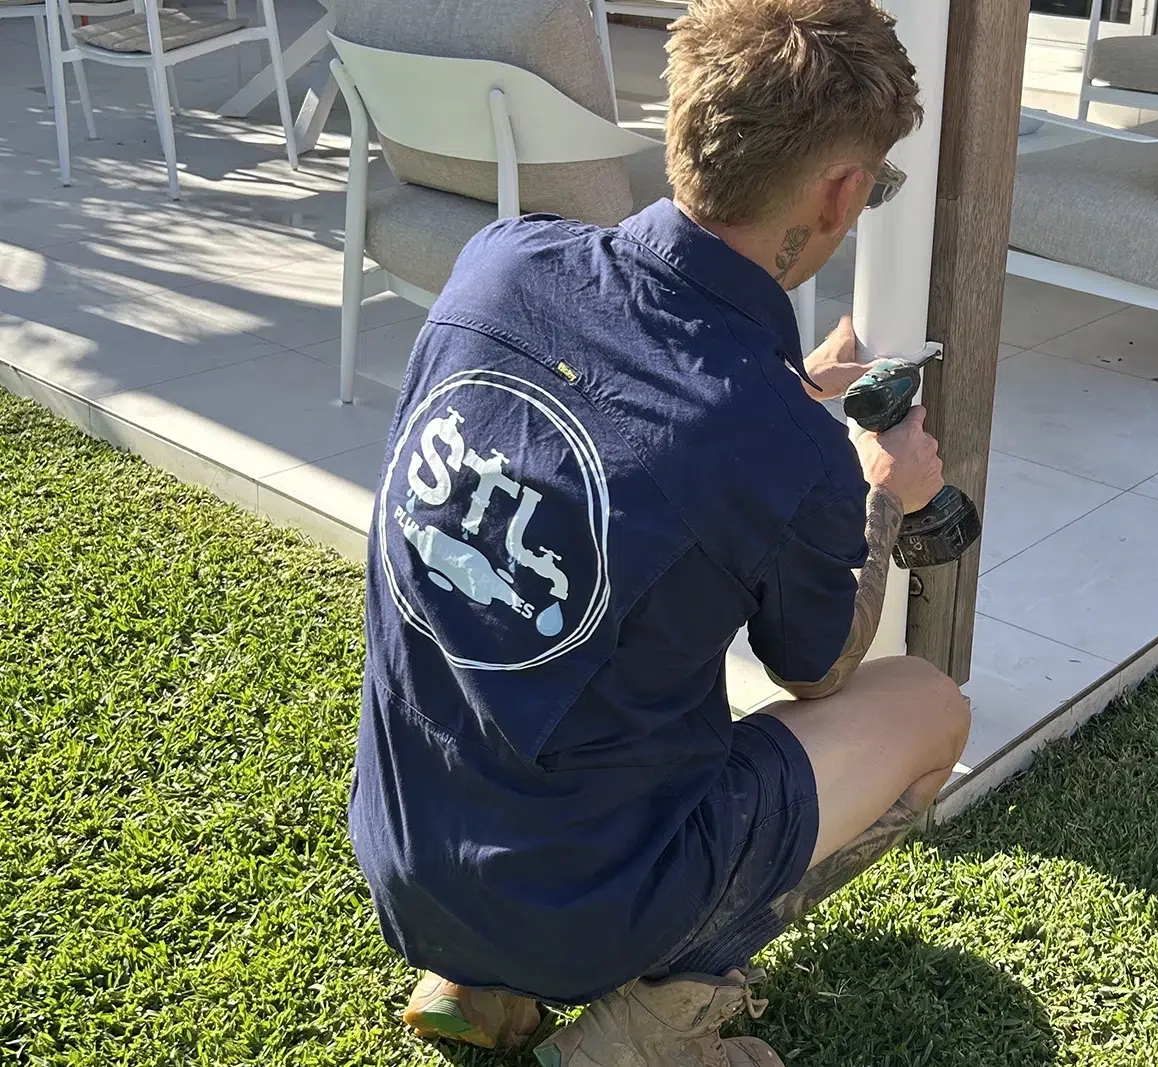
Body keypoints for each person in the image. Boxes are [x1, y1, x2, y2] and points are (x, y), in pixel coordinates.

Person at [347, 1, 971, 1063]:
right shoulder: (774, 442)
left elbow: (632, 397)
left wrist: (782, 388)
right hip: (583, 901)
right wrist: (882, 490)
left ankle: (477, 975)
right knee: (928, 708)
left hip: (407, 853)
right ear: (842, 192)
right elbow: (818, 668)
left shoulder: (500, 265)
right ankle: (650, 1018)